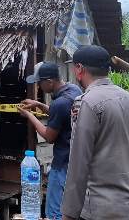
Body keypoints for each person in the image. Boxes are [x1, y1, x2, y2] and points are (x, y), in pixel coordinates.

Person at [61, 45, 129, 220]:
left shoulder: (86, 103)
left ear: (80, 69)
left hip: (99, 209)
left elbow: (78, 163)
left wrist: (68, 213)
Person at [19, 62, 82, 220]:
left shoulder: (60, 103)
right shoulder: (73, 90)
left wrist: (29, 116)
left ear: (49, 82)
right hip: (74, 161)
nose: (39, 87)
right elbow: (60, 115)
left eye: (39, 83)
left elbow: (49, 136)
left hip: (62, 164)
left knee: (54, 213)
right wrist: (39, 105)